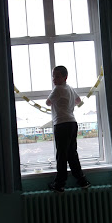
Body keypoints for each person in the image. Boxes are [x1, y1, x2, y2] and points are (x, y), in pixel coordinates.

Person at [46, 65, 91, 193]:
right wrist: (67, 105)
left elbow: (48, 103)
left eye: (57, 76)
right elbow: (78, 100)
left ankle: (59, 184)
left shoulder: (58, 89)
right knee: (72, 153)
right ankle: (82, 181)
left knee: (61, 154)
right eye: (53, 76)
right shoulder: (70, 88)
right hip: (72, 123)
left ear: (65, 77)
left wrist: (59, 102)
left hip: (61, 124)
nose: (54, 79)